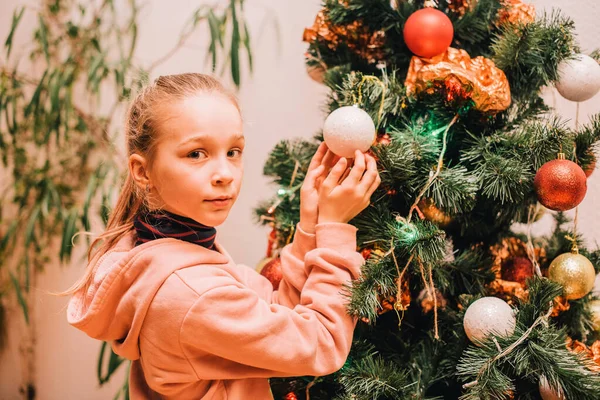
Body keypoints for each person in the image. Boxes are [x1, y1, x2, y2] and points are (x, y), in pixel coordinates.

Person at [64, 73, 380, 399]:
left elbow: (275, 311)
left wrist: (310, 225)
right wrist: (335, 228)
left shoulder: (167, 249)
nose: (225, 175)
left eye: (233, 151)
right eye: (196, 154)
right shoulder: (189, 291)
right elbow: (321, 344)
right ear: (143, 171)